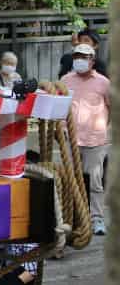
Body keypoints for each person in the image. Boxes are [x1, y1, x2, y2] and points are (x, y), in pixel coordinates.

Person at [61, 42, 110, 236]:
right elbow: (60, 107)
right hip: (70, 138)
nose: (79, 60)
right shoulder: (65, 80)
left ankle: (97, 218)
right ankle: (71, 218)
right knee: (70, 179)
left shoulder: (103, 83)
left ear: (92, 60)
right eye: (76, 57)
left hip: (95, 140)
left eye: (83, 57)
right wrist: (63, 127)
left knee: (95, 180)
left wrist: (105, 128)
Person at [0, 52, 23, 163]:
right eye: (9, 63)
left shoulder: (17, 77)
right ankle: (0, 163)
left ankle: (11, 163)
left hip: (12, 116)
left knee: (12, 144)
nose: (11, 66)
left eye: (13, 64)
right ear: (2, 63)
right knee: (0, 141)